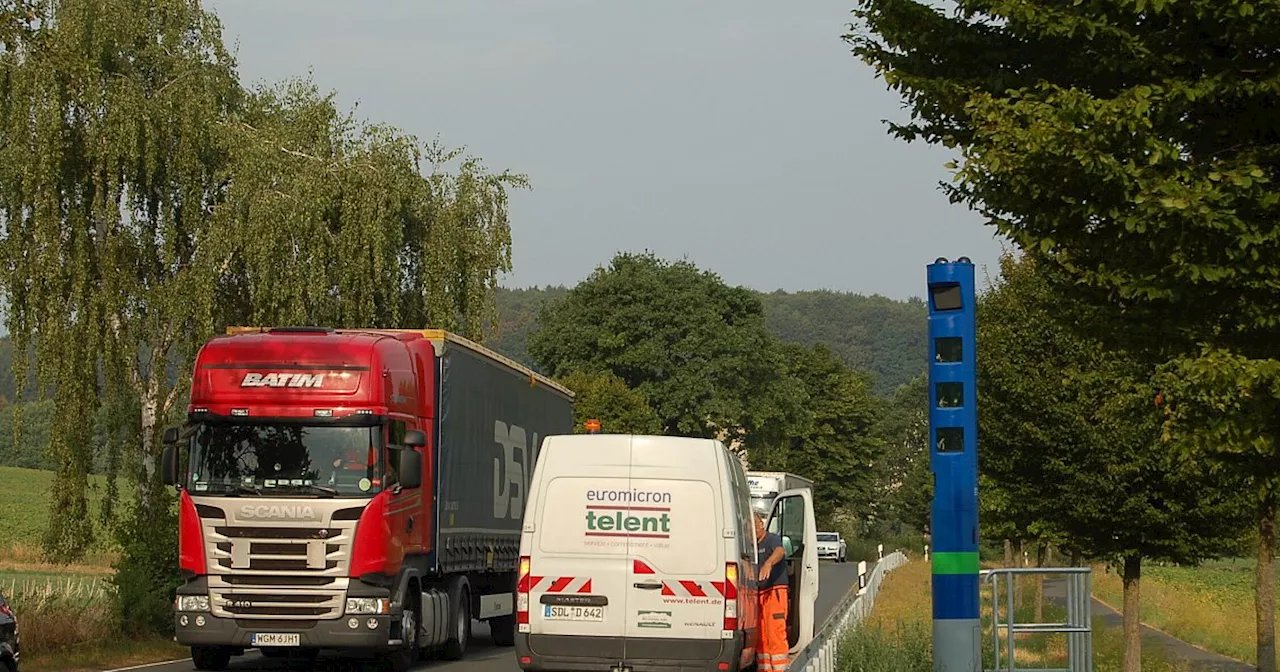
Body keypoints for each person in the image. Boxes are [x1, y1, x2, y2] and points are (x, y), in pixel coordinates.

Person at [755, 512, 789, 672]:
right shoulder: (752, 545)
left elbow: (780, 552)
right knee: (761, 635)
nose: (751, 532)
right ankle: (765, 669)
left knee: (775, 632)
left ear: (761, 525)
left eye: (754, 527)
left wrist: (768, 563)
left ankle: (780, 669)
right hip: (760, 594)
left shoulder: (771, 539)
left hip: (775, 592)